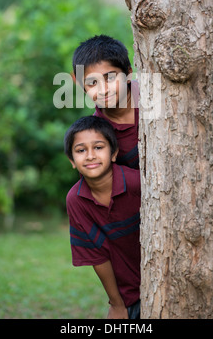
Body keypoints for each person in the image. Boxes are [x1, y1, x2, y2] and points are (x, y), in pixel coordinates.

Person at [64, 115, 141, 319]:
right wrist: (116, 303)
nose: (90, 156)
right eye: (81, 150)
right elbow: (97, 256)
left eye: (98, 147)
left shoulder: (137, 183)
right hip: (128, 295)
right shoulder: (76, 200)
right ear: (72, 161)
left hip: (163, 282)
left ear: (114, 153)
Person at [72, 35, 139, 170]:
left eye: (110, 78)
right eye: (93, 83)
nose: (104, 90)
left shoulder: (155, 96)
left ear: (128, 74)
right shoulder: (94, 134)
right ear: (84, 88)